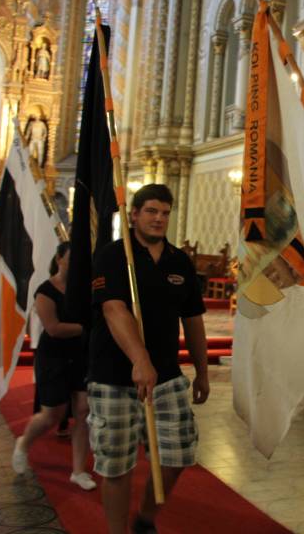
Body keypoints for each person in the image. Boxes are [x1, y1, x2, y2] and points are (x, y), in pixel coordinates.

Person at [88, 184, 209, 534]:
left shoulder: (179, 260)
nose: (160, 219)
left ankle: (144, 519)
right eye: (152, 211)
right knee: (117, 464)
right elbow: (113, 309)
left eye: (166, 212)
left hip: (167, 375)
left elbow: (193, 319)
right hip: (114, 375)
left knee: (178, 455)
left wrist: (202, 371)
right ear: (135, 214)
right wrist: (140, 359)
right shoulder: (112, 256)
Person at [11, 242, 96, 490]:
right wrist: (88, 329)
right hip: (54, 356)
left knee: (83, 410)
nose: (78, 266)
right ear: (59, 259)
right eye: (72, 259)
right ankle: (24, 443)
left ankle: (78, 470)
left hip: (81, 354)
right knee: (52, 414)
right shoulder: (45, 291)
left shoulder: (85, 290)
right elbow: (54, 329)